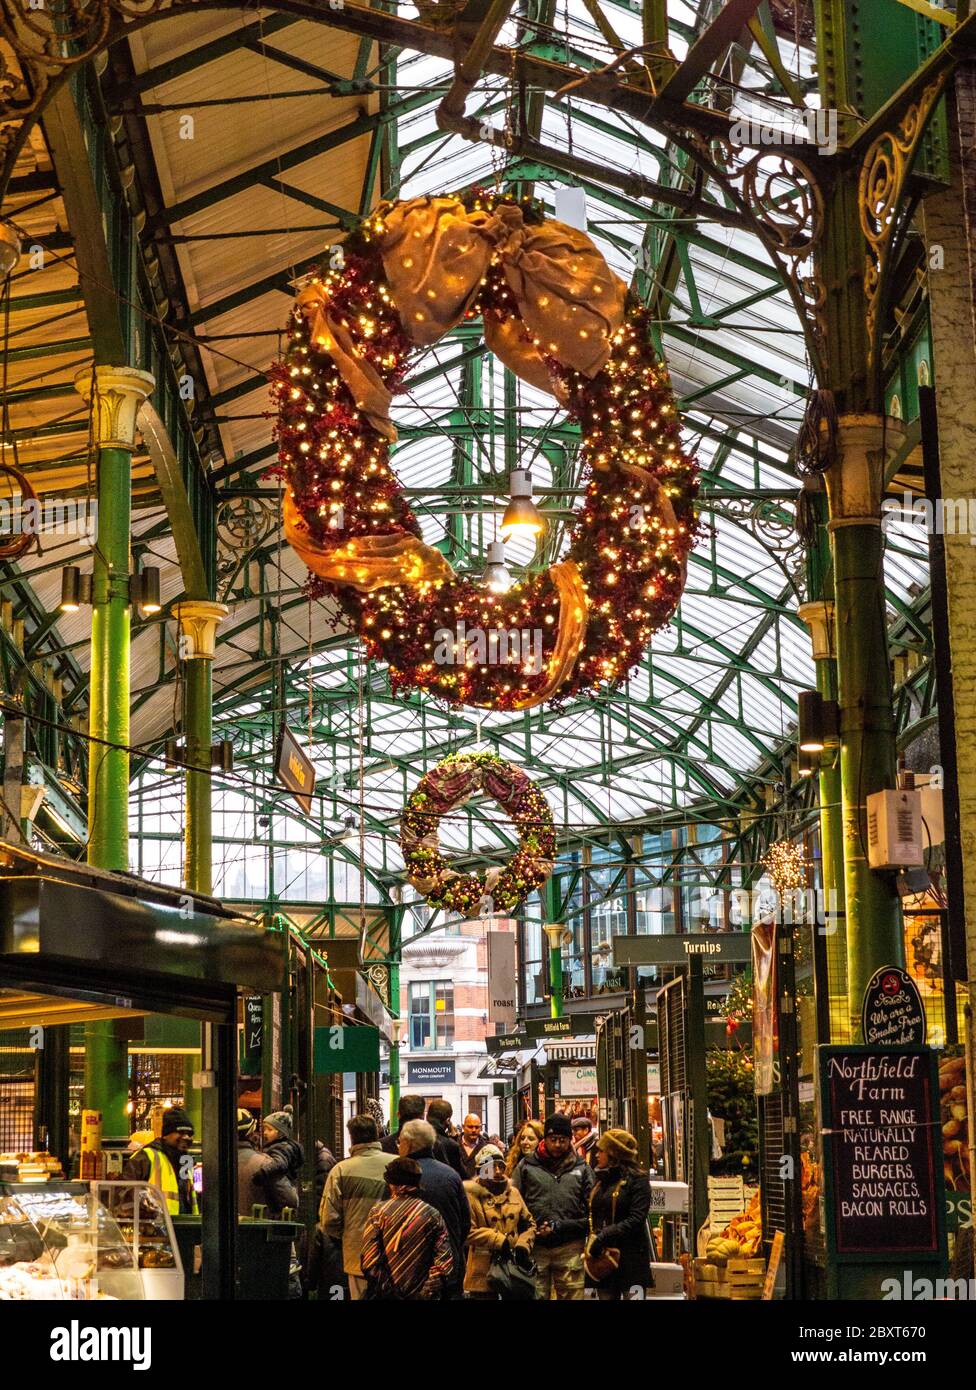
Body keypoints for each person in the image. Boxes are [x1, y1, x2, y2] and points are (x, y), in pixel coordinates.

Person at [511, 1112, 593, 1300]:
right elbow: (514, 1204)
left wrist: (565, 1226)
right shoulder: (526, 1166)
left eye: (562, 1140)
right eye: (553, 1139)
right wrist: (527, 1231)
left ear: (569, 1140)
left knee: (572, 1295)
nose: (557, 1144)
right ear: (545, 1139)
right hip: (535, 1246)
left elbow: (591, 1209)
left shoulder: (581, 1168)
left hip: (570, 1247)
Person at [360, 1158, 454, 1300]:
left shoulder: (378, 1212)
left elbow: (369, 1260)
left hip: (385, 1295)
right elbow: (444, 1259)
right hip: (423, 1295)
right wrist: (427, 1288)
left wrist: (388, 1289)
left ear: (392, 1184)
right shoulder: (432, 1214)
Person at [319, 1114, 391, 1300]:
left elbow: (329, 1219)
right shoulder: (395, 1164)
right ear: (376, 1133)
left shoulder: (341, 1170)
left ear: (352, 1137)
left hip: (357, 1254)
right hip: (394, 1254)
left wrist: (346, 1235)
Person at [397, 1119, 470, 1297]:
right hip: (449, 1267)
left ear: (408, 1143)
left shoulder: (399, 1176)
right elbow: (465, 1223)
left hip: (409, 1269)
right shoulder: (451, 1175)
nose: (398, 1146)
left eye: (400, 1142)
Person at [585, 1128, 652, 1301]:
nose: (597, 1155)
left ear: (614, 1154)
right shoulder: (600, 1180)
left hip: (632, 1259)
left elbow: (637, 1218)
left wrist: (604, 1235)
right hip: (604, 1259)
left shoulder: (638, 1180)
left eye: (601, 1151)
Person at [463, 1145, 535, 1300]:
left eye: (500, 1166)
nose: (497, 1171)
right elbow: (467, 1231)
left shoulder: (513, 1193)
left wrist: (523, 1245)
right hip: (483, 1272)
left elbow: (529, 1224)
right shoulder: (471, 1196)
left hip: (513, 1269)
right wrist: (498, 1240)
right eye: (490, 1167)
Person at [124, 1107, 198, 1215]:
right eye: (181, 1132)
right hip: (156, 1228)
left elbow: (188, 1199)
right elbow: (126, 1194)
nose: (186, 1137)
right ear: (166, 1135)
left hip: (182, 1228)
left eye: (189, 1134)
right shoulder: (145, 1157)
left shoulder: (185, 1161)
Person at [255, 1107, 304, 1218]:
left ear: (281, 1132)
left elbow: (280, 1163)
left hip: (279, 1199)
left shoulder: (280, 1148)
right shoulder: (285, 1147)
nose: (265, 1133)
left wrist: (262, 1172)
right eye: (264, 1129)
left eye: (269, 1129)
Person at [237, 1109, 272, 1217]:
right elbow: (287, 1198)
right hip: (255, 1228)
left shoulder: (212, 1162)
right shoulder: (264, 1163)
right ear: (251, 1133)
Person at [426, 1098, 465, 1178]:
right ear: (448, 1121)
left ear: (427, 1117)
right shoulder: (451, 1145)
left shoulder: (415, 1139)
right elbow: (459, 1175)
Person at [458, 1112, 491, 1179]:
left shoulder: (487, 1149)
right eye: (470, 1127)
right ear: (463, 1127)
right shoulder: (453, 1146)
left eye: (477, 1127)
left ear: (480, 1128)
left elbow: (488, 1177)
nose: (474, 1130)